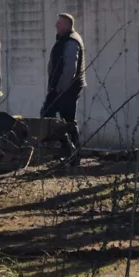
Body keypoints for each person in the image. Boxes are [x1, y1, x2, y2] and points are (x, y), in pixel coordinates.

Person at [40, 13, 85, 165]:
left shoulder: (71, 41)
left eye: (59, 23)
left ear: (66, 25)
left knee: (62, 119)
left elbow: (70, 68)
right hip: (61, 87)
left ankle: (72, 152)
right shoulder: (65, 39)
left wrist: (61, 88)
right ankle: (69, 151)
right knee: (58, 118)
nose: (56, 25)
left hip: (66, 89)